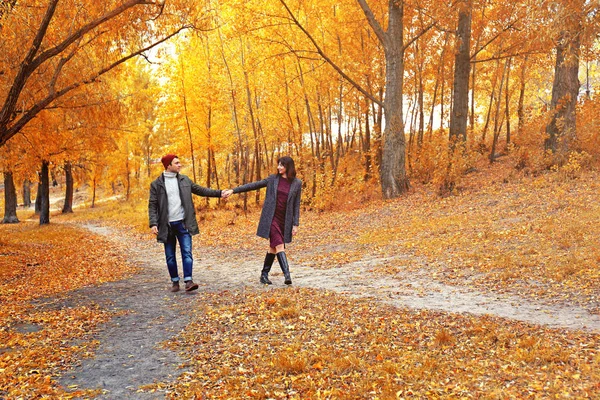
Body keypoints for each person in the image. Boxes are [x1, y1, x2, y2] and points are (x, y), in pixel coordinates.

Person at [149, 154, 230, 292]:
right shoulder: (157, 184)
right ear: (168, 165)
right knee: (170, 256)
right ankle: (175, 281)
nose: (180, 165)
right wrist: (153, 223)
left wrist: (220, 193)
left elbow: (201, 190)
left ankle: (188, 281)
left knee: (187, 252)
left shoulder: (184, 180)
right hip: (166, 225)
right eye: (177, 163)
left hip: (183, 223)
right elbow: (152, 204)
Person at [224, 156, 301, 285]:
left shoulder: (297, 183)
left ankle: (264, 275)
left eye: (281, 165)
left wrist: (295, 223)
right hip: (271, 218)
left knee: (273, 247)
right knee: (279, 245)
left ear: (288, 166)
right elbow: (254, 185)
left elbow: (296, 205)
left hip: (285, 220)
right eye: (278, 165)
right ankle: (287, 275)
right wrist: (233, 190)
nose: (278, 167)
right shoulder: (273, 179)